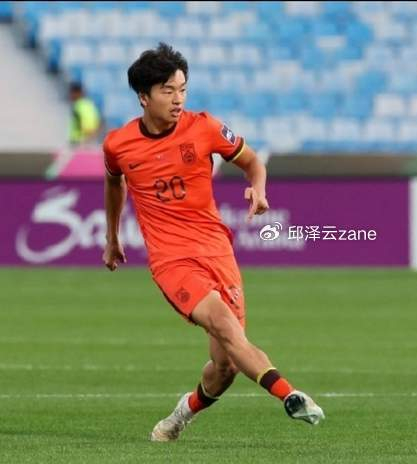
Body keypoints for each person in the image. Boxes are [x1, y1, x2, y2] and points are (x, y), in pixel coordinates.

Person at [102, 43, 324, 442]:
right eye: (168, 91)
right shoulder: (118, 144)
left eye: (182, 89)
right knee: (224, 325)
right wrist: (112, 237)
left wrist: (258, 189)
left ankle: (180, 414)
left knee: (225, 367)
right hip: (172, 260)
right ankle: (288, 394)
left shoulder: (204, 128)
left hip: (217, 250)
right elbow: (114, 181)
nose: (178, 99)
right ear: (144, 97)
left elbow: (253, 162)